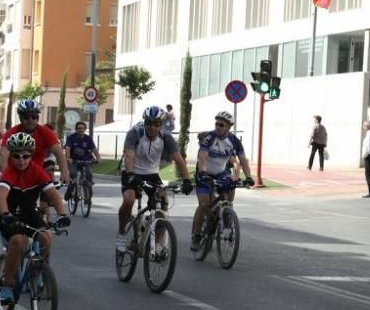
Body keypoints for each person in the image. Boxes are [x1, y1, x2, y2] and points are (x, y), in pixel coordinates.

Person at [0, 132, 69, 303]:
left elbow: (53, 195)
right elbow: (1, 196)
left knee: (46, 236)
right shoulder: (9, 173)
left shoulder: (37, 171)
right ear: (11, 157)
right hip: (10, 215)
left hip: (28, 213)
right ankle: (7, 285)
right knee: (19, 242)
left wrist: (62, 214)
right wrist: (5, 214)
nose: (22, 160)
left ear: (31, 156)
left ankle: (38, 270)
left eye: (26, 156)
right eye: (17, 156)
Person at [117, 106, 195, 253]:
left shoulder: (166, 137)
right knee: (129, 200)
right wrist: (131, 173)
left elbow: (179, 159)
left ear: (161, 125)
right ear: (145, 122)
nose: (152, 128)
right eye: (149, 123)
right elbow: (129, 155)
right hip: (132, 171)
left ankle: (158, 244)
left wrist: (186, 180)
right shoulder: (135, 132)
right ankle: (121, 234)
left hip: (151, 173)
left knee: (162, 204)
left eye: (156, 124)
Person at [191, 111, 254, 252]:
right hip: (204, 172)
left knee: (231, 182)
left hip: (220, 172)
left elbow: (242, 160)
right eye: (216, 124)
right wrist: (202, 172)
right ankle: (196, 235)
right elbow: (202, 157)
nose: (218, 127)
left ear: (229, 127)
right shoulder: (209, 137)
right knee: (203, 204)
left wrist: (248, 177)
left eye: (221, 125)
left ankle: (227, 209)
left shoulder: (234, 141)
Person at [0, 99, 69, 183]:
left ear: (38, 118)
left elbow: (59, 153)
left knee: (50, 189)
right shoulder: (12, 132)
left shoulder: (45, 132)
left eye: (34, 116)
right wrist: (5, 176)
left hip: (37, 173)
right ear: (20, 118)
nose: (30, 120)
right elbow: (3, 155)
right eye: (26, 117)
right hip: (16, 173)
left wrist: (64, 172)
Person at [64, 120, 99, 199]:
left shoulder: (88, 139)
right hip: (74, 161)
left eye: (83, 128)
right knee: (73, 174)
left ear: (85, 129)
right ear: (76, 129)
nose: (81, 129)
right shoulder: (71, 138)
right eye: (79, 128)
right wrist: (68, 158)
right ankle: (69, 190)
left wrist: (98, 158)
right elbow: (68, 149)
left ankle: (87, 194)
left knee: (88, 173)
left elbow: (94, 149)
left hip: (85, 161)